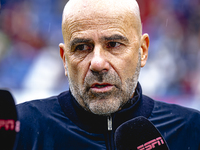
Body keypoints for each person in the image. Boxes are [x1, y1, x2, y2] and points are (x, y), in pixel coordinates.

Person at [14, 0, 200, 149]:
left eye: (114, 44)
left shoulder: (191, 129)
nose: (97, 63)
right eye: (82, 47)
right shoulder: (21, 129)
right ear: (64, 59)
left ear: (142, 51)